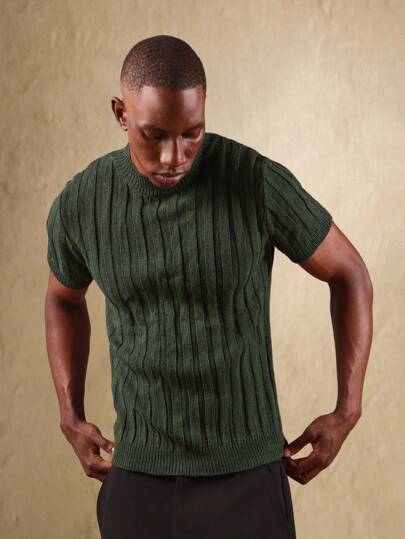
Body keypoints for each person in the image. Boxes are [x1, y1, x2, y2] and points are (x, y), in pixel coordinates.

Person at [44, 35, 373, 539]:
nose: (175, 155)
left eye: (192, 133)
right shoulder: (83, 201)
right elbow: (63, 300)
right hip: (137, 474)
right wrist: (70, 414)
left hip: (246, 475)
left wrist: (347, 409)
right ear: (121, 114)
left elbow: (349, 272)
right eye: (154, 135)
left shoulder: (254, 180)